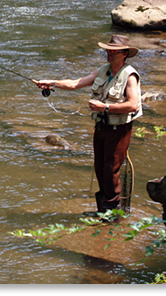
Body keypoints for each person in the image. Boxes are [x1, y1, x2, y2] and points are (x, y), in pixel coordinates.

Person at [37, 35, 142, 212]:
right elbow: (76, 83)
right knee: (100, 168)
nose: (109, 53)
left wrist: (105, 107)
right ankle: (103, 211)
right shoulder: (103, 70)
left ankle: (112, 215)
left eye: (113, 51)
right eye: (107, 50)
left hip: (119, 130)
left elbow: (133, 105)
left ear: (124, 54)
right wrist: (51, 82)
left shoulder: (130, 75)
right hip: (101, 127)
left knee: (110, 170)